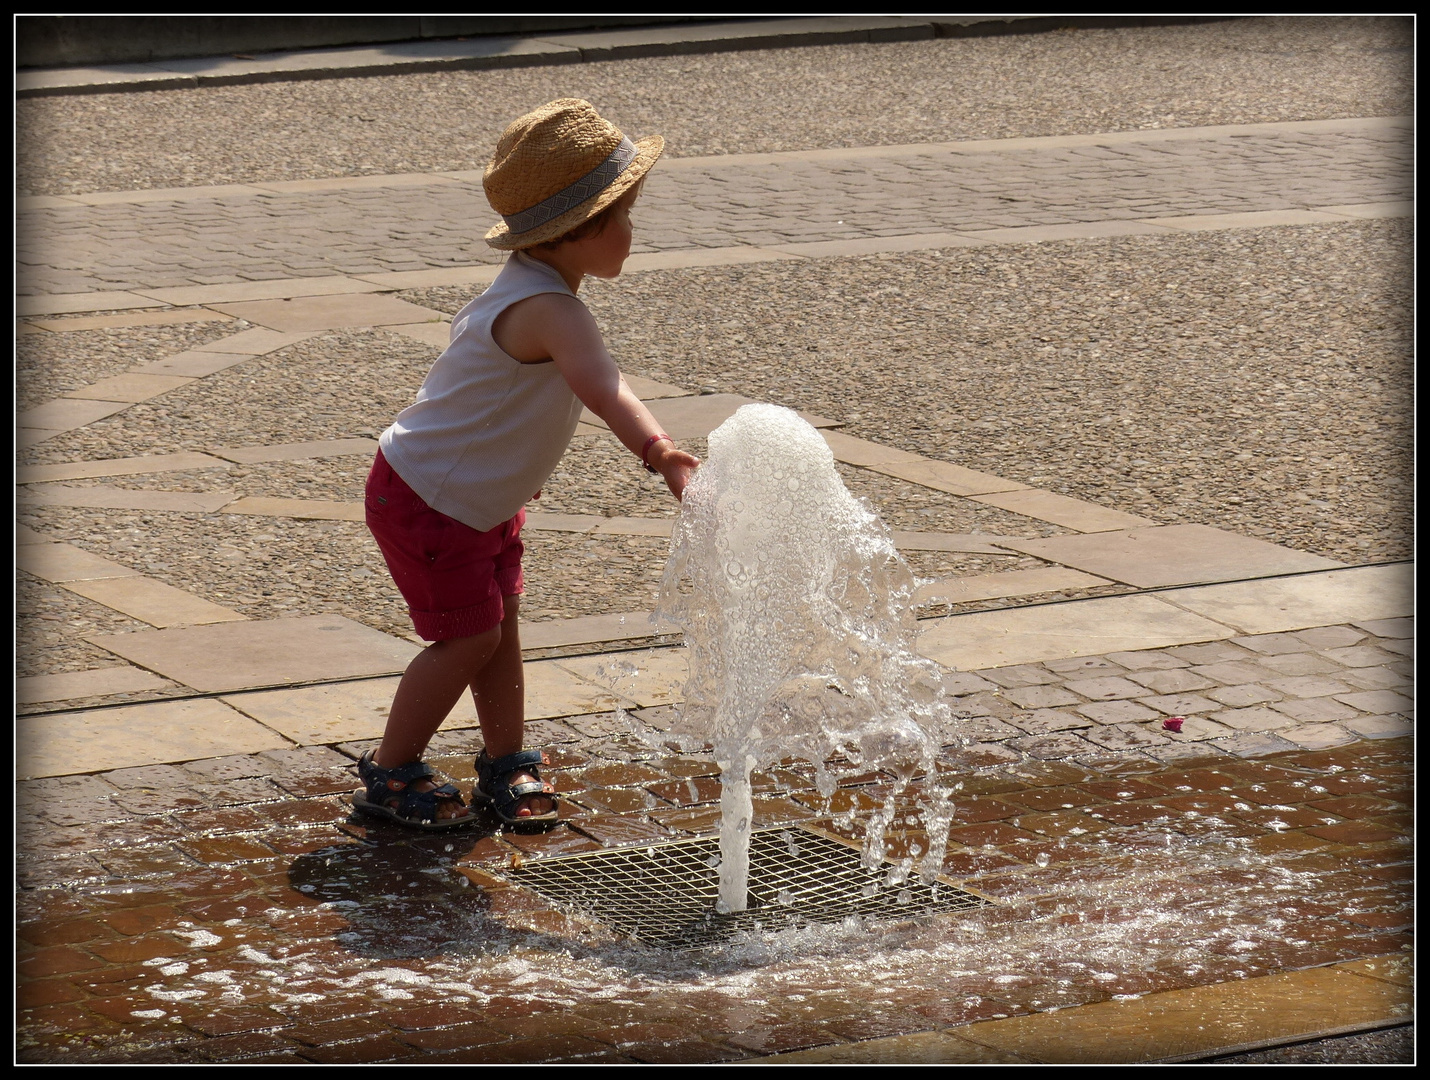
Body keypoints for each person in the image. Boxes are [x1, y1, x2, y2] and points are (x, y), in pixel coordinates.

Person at [354, 99, 700, 831]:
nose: (634, 233)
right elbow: (604, 388)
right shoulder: (554, 313)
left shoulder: (524, 290)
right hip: (433, 502)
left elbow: (596, 377)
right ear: (580, 228)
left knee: (500, 624)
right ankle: (390, 773)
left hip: (465, 498)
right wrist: (660, 452)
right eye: (625, 217)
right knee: (470, 636)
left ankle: (504, 763)